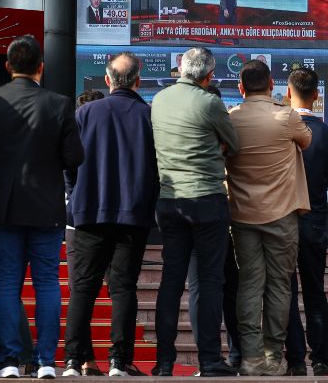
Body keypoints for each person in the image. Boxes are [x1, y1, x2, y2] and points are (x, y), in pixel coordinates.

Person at [0, 35, 84, 379]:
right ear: (41, 67)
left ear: (8, 66)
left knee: (7, 282)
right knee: (46, 283)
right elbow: (75, 158)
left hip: (2, 207)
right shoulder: (59, 103)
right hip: (46, 208)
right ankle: (45, 362)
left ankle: (9, 360)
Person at [62, 53, 158, 377]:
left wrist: (75, 195)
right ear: (137, 80)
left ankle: (73, 360)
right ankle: (120, 360)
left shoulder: (85, 113)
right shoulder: (149, 116)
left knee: (83, 289)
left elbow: (68, 163)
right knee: (123, 288)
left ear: (107, 80)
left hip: (88, 212)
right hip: (133, 215)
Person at [150, 47, 240, 378]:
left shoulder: (159, 100)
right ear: (209, 76)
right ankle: (210, 359)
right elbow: (236, 145)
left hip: (170, 201)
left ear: (180, 69)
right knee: (211, 280)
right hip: (207, 200)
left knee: (171, 280)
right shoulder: (210, 102)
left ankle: (163, 362)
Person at [226, 60, 312, 377]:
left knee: (249, 284)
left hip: (243, 213)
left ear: (241, 87)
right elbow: (307, 141)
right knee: (279, 286)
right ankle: (273, 356)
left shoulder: (231, 117)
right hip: (282, 214)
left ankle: (250, 358)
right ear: (272, 84)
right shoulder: (286, 116)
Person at [283, 67, 328, 377]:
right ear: (317, 95)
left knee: (286, 292)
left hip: (284, 220)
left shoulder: (280, 128)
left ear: (288, 93)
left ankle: (295, 361)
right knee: (315, 292)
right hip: (315, 220)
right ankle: (322, 360)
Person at [64, 88, 105, 377]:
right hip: (103, 217)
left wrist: (73, 196)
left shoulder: (75, 130)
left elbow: (68, 173)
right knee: (112, 289)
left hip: (76, 221)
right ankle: (101, 360)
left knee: (82, 291)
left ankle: (80, 359)